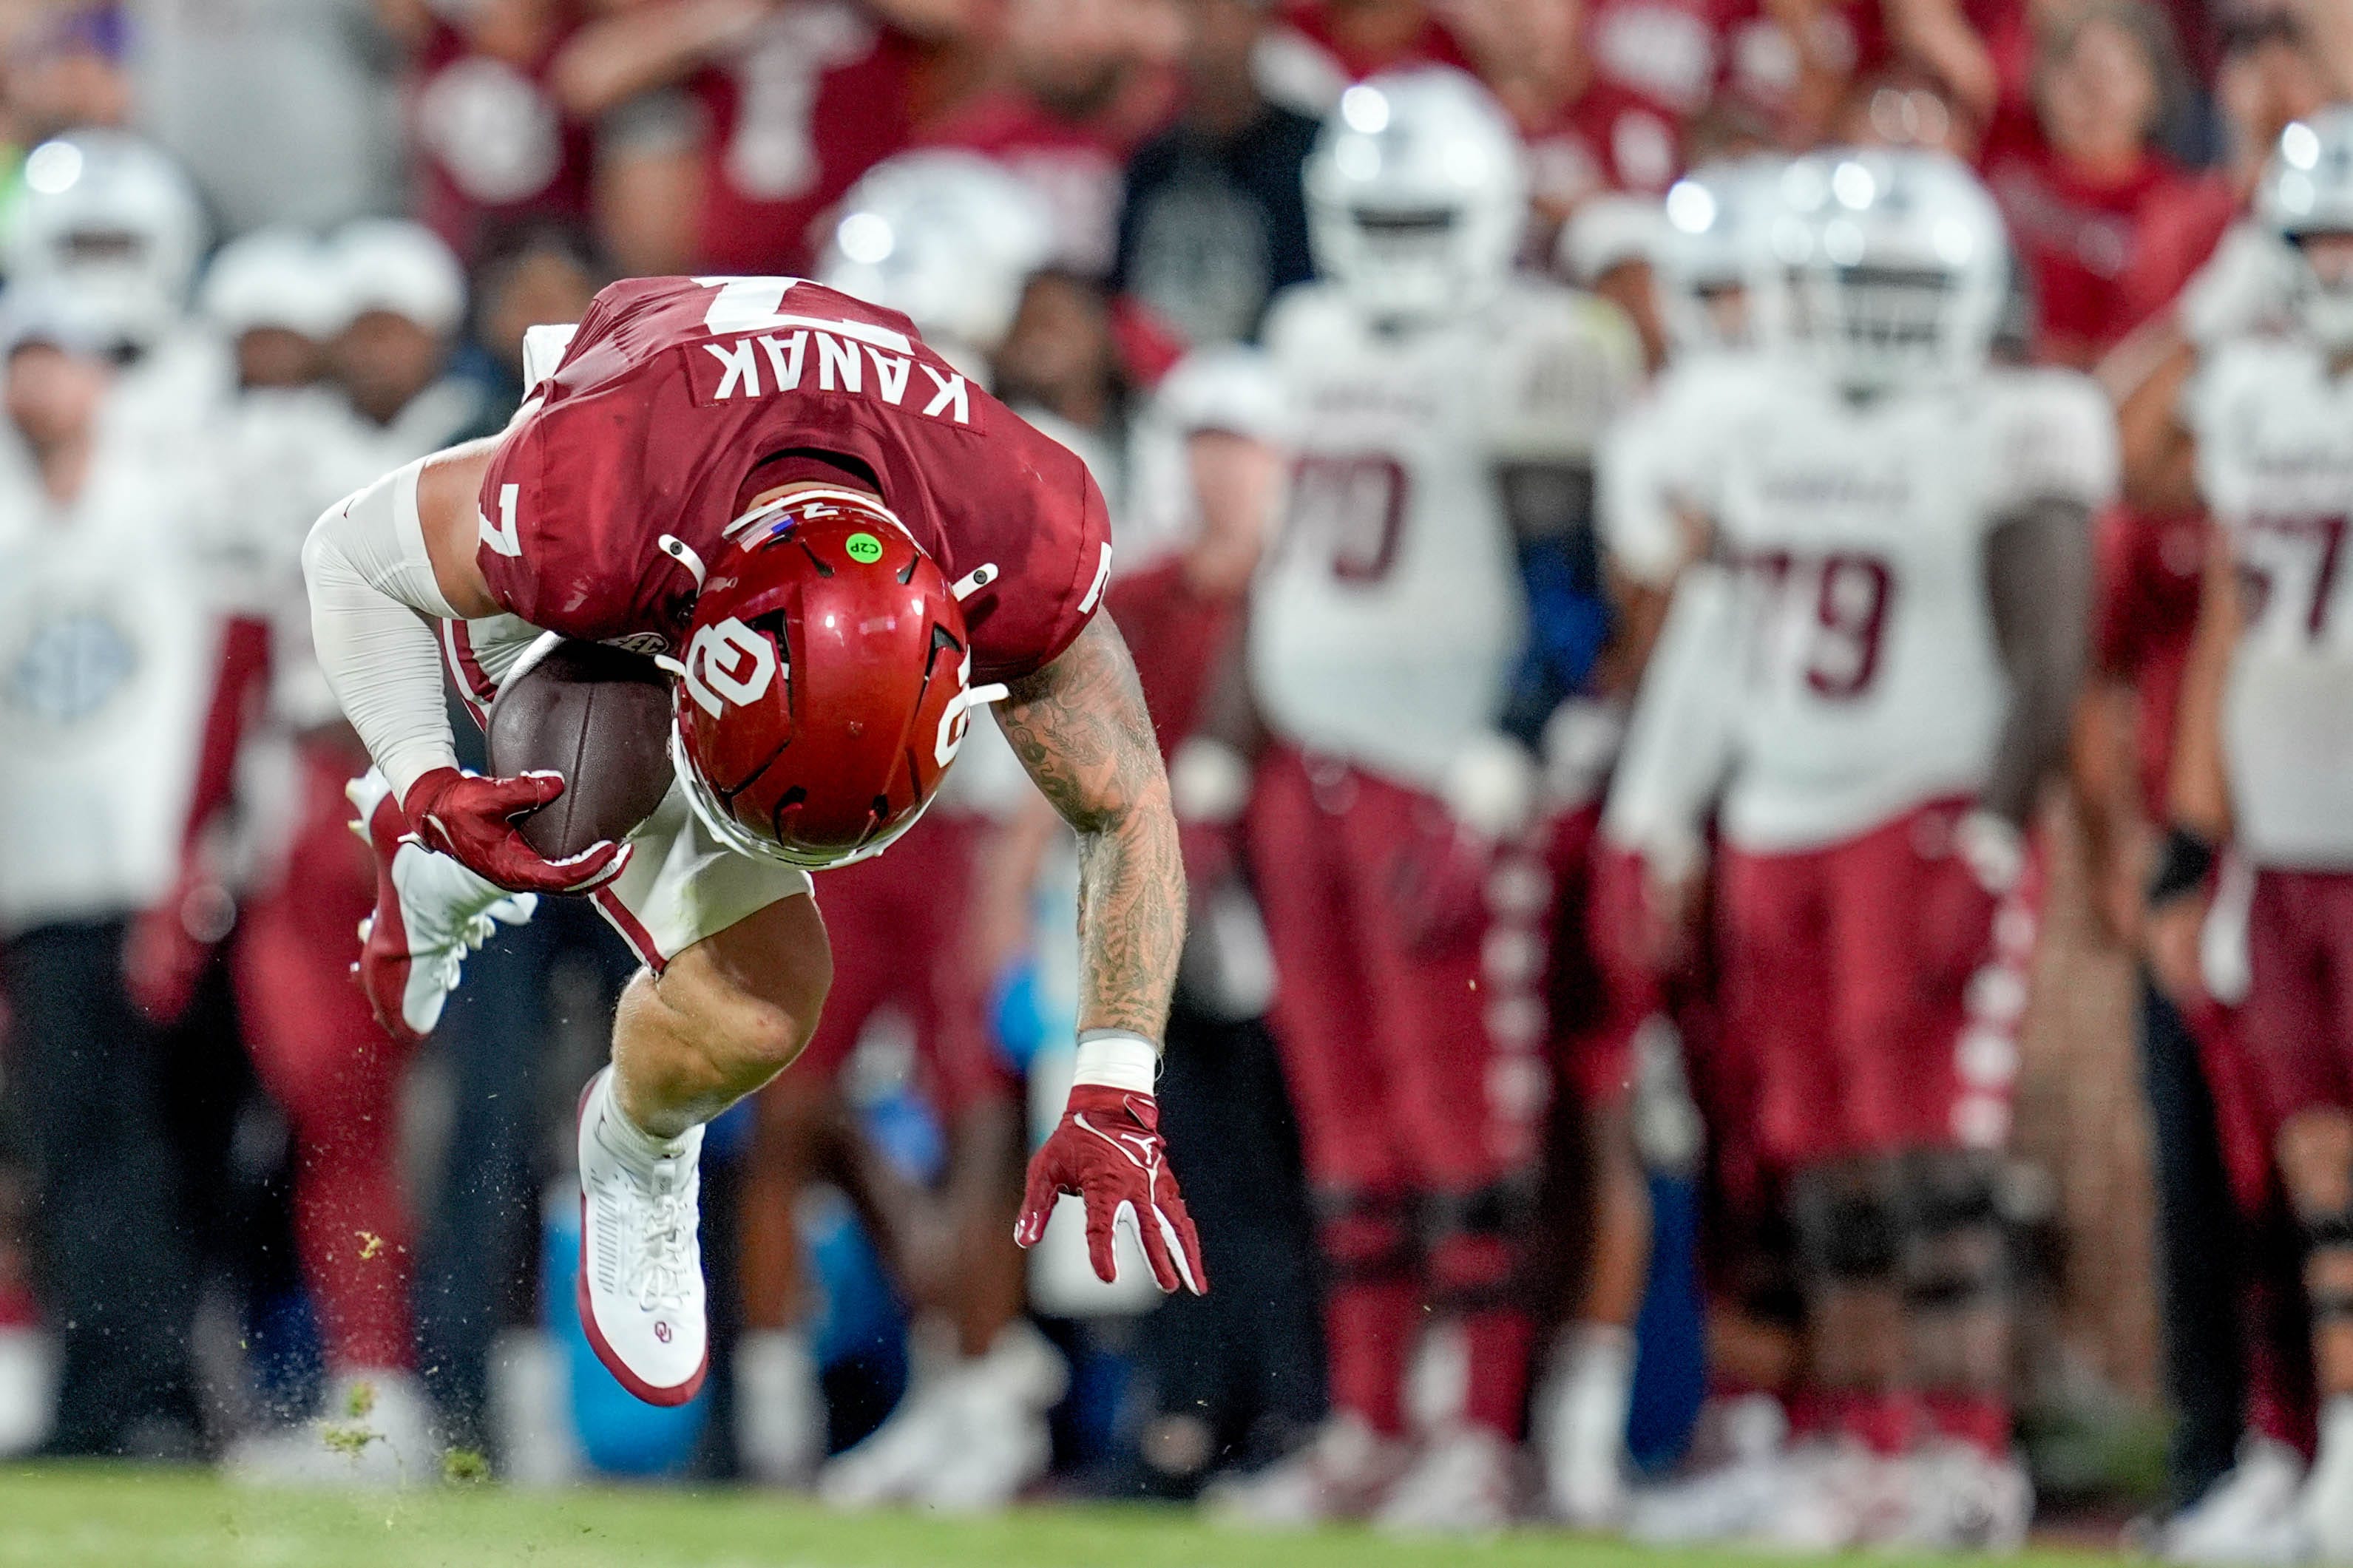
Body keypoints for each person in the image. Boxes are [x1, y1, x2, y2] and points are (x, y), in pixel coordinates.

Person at [298, 271, 1205, 1422]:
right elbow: (348, 553)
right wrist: (428, 772)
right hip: (648, 501)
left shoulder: (1015, 531)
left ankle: (635, 1133)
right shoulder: (595, 499)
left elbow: (1127, 805)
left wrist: (1115, 1088)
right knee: (579, 783)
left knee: (770, 1011)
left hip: (740, 478)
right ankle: (451, 853)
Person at [1605, 148, 2108, 1550]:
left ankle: (1966, 1446)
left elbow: (2050, 654)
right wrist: (1669, 810)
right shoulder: (1755, 422)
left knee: (1934, 1155)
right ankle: (1866, 1435)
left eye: (1903, 282)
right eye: (1854, 280)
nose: (1877, 310)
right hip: (1780, 814)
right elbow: (1714, 633)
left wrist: (1999, 831)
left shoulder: (2013, 424)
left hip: (1922, 807)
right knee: (1821, 1161)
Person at [1206, 67, 1642, 1532]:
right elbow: (1278, 563)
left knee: (1472, 1117)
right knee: (1344, 1119)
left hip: (1441, 771)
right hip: (1309, 766)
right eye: (1373, 210)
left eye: (1420, 212)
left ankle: (1477, 1426)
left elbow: (1567, 580)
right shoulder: (1307, 332)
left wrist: (1512, 739)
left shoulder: (1536, 343)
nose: (1393, 240)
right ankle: (1371, 1416)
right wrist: (1223, 741)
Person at [2149, 106, 2353, 1561]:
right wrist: (2189, 839)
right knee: (2302, 1164)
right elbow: (2126, 445)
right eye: (2312, 237)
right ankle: (2322, 1442)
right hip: (2279, 836)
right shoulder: (2261, 390)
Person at [0, 291, 215, 1459]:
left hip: (143, 875)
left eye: (58, 365)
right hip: (42, 881)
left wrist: (189, 858)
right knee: (79, 1152)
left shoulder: (162, 509)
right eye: (21, 366)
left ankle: (139, 1394)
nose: (37, 389)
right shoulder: (13, 527)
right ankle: (130, 1391)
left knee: (144, 1147)